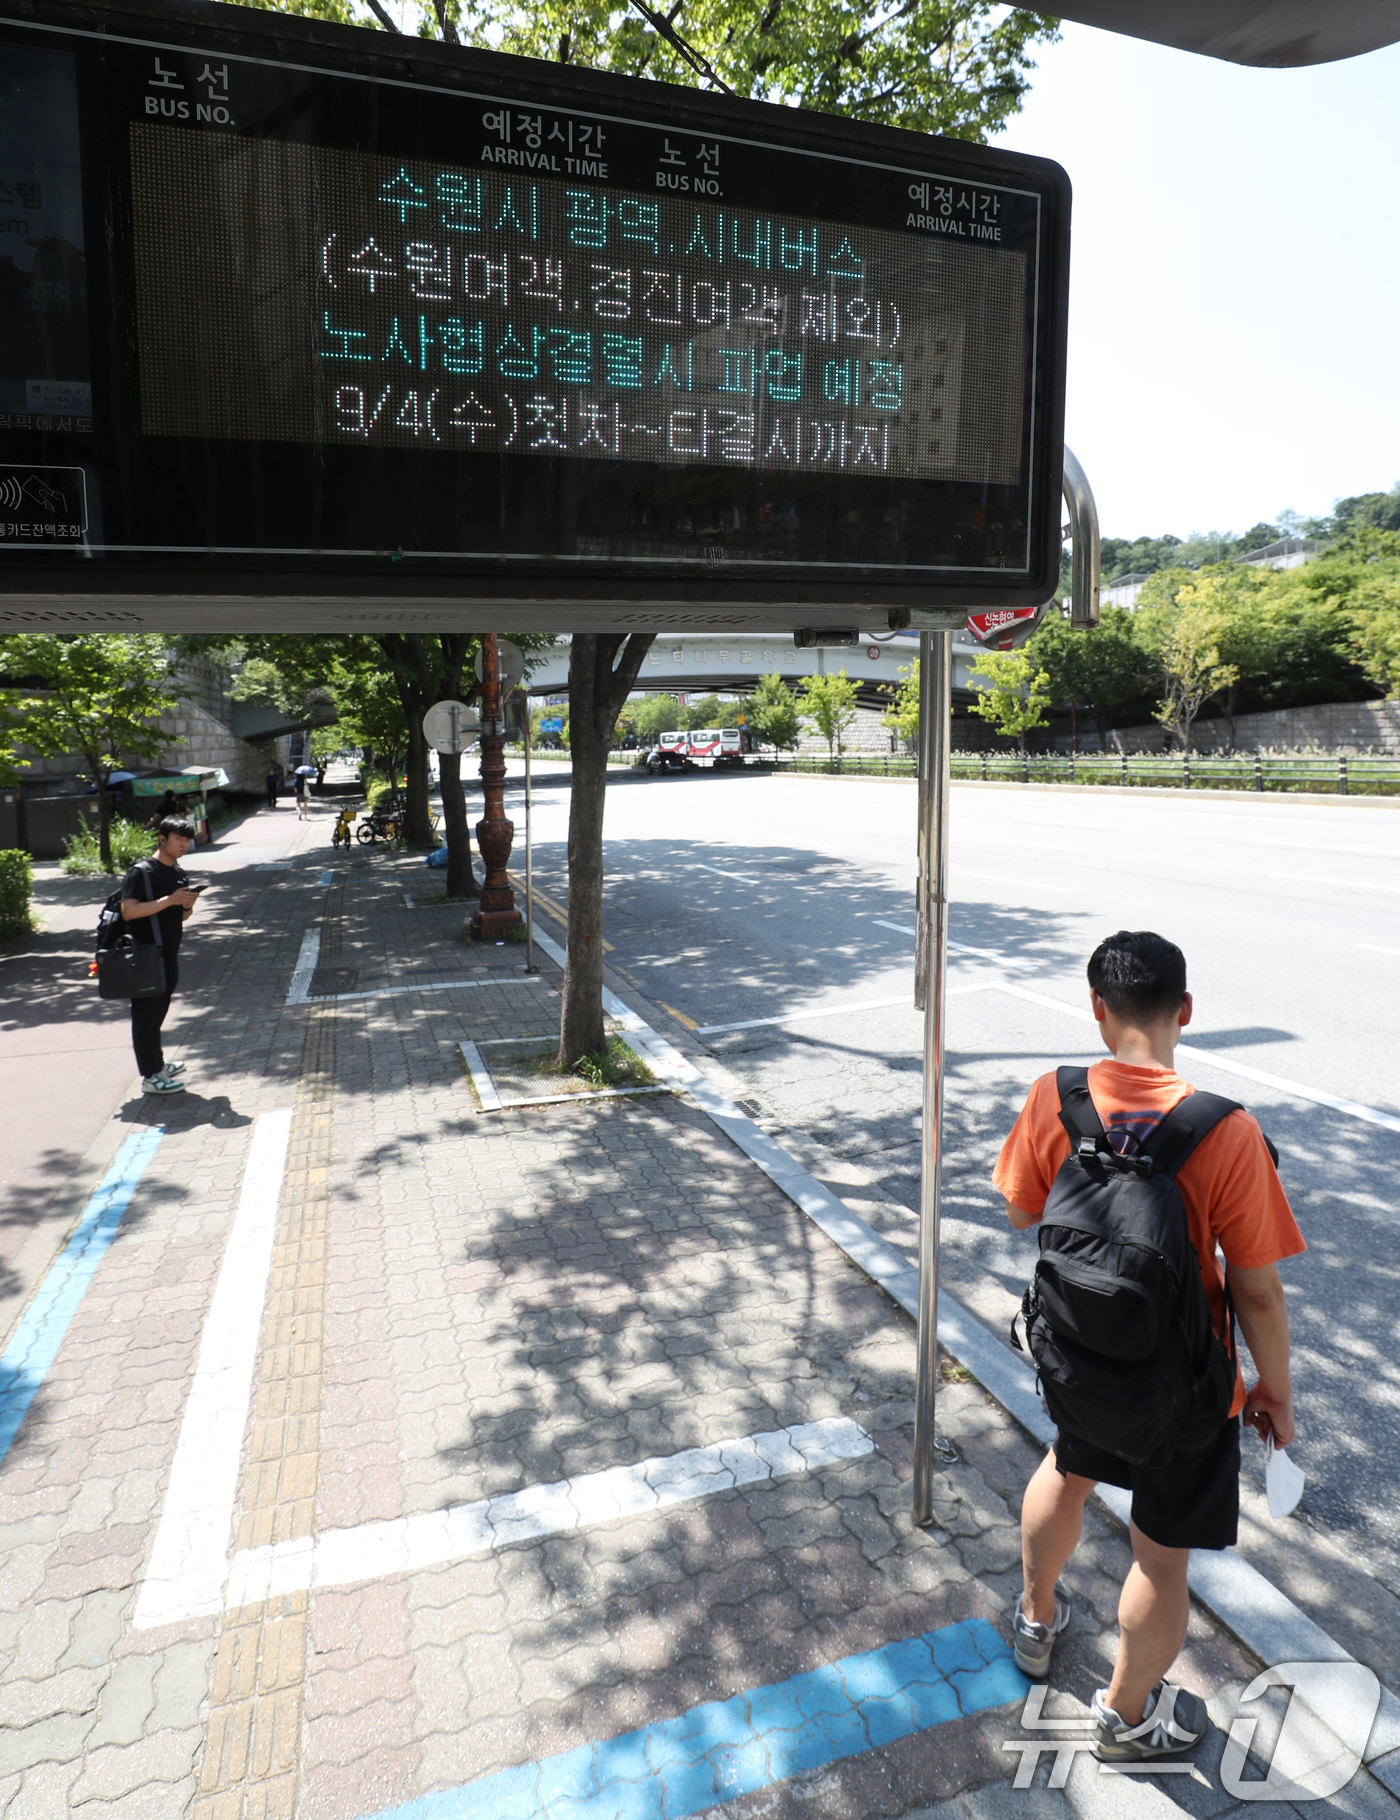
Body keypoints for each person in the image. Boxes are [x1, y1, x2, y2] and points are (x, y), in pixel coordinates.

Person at [994, 930, 1304, 1763]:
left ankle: (1035, 1620)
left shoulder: (1054, 1098)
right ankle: (1126, 1718)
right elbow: (1257, 1290)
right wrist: (1273, 1391)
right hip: (1185, 1390)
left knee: (1066, 1470)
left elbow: (1025, 1213)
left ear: (1098, 1011)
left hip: (1081, 1363)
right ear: (1187, 1013)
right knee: (1160, 1561)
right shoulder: (1227, 1133)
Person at [119, 816, 200, 1095]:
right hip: (144, 955)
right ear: (162, 838)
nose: (184, 845)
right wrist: (171, 900)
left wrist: (187, 905)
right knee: (144, 1017)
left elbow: (180, 916)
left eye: (187, 840)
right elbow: (128, 911)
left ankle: (158, 1064)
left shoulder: (177, 872)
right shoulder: (141, 872)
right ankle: (151, 1076)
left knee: (157, 1014)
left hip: (168, 953)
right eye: (178, 839)